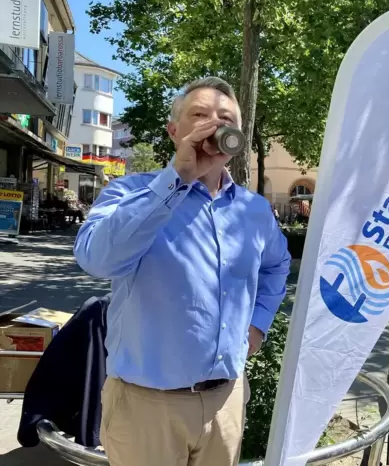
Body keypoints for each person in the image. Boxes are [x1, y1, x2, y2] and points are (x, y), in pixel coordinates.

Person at [74, 77, 291, 466]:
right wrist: (177, 179)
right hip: (146, 406)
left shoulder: (254, 211)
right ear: (175, 131)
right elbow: (96, 259)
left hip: (225, 400)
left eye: (226, 118)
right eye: (200, 115)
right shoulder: (130, 193)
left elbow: (277, 264)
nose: (214, 124)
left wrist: (258, 324)